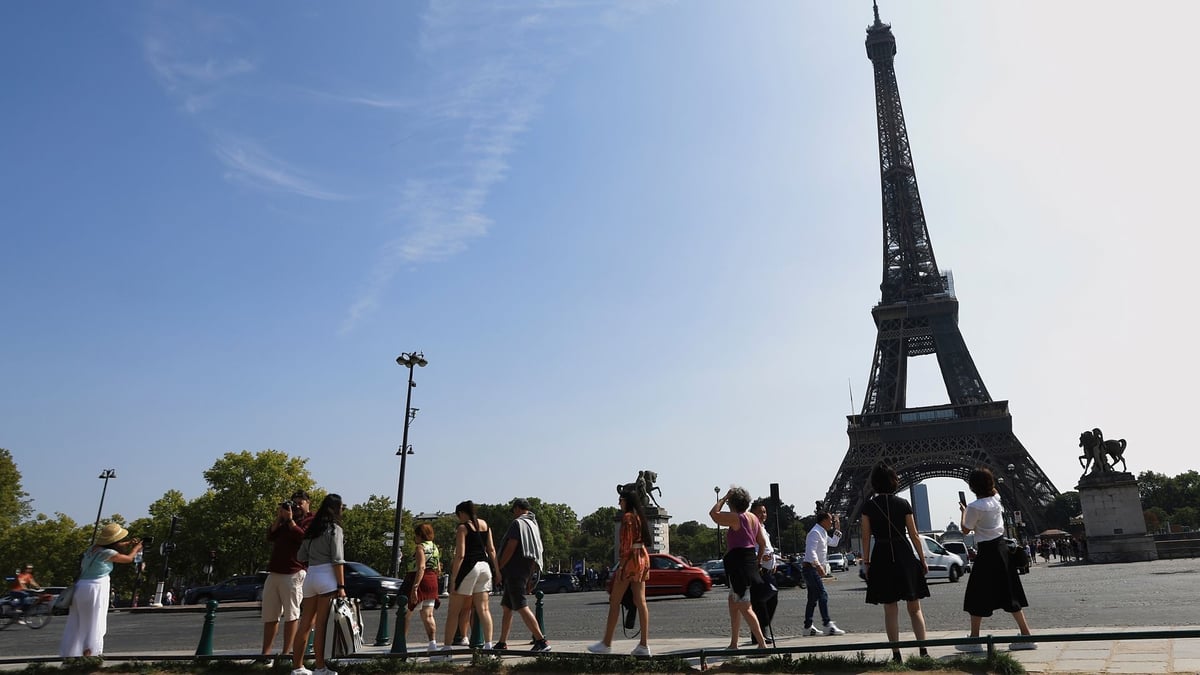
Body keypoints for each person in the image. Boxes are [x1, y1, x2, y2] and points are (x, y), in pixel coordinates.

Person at [957, 467, 1037, 652]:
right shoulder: (996, 499)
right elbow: (994, 494)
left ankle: (975, 640)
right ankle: (1027, 635)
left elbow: (965, 529)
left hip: (986, 553)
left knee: (977, 594)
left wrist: (963, 510)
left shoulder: (974, 507)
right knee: (1010, 592)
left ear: (972, 486)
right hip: (1002, 550)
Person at [860, 463, 929, 662]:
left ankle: (896, 654)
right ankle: (923, 652)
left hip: (881, 554)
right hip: (904, 553)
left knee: (890, 610)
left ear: (874, 483)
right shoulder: (903, 503)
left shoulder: (868, 507)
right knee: (914, 608)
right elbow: (915, 535)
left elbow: (865, 538)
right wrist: (922, 559)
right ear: (893, 481)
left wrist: (867, 562)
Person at [59, 523, 144, 658]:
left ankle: (72, 653)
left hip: (80, 587)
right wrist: (137, 548)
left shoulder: (92, 549)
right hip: (96, 587)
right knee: (95, 620)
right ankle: (90, 652)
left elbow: (115, 546)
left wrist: (128, 542)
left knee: (78, 621)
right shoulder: (108, 553)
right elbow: (128, 559)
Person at [588, 486, 652, 656]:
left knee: (615, 601)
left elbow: (625, 545)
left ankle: (607, 642)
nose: (619, 503)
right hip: (642, 558)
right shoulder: (639, 517)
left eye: (620, 500)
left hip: (630, 560)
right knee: (641, 601)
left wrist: (621, 566)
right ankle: (644, 644)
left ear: (626, 501)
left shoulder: (628, 518)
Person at [291, 494, 346, 675]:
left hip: (311, 576)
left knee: (305, 624)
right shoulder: (334, 529)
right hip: (327, 577)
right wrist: (341, 586)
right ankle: (320, 667)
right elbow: (338, 560)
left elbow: (300, 556)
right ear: (336, 508)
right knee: (321, 625)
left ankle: (297, 667)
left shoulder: (312, 529)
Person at [709, 486, 769, 650]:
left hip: (738, 564)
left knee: (744, 605)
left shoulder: (737, 518)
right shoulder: (753, 518)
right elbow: (762, 544)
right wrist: (757, 562)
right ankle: (734, 643)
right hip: (749, 561)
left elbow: (714, 514)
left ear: (732, 503)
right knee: (733, 603)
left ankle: (762, 644)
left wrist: (724, 497)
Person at [261, 490, 314, 661]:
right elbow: (270, 536)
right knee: (270, 615)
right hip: (275, 571)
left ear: (308, 503)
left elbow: (303, 537)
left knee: (292, 615)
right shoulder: (284, 522)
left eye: (300, 502)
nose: (297, 506)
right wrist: (280, 517)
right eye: (294, 502)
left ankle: (286, 653)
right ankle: (265, 654)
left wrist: (291, 520)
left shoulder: (310, 520)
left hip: (293, 572)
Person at [439, 501, 496, 657]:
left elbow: (460, 555)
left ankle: (447, 649)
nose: (459, 519)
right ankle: (489, 647)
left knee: (454, 611)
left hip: (469, 567)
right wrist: (497, 571)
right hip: (485, 567)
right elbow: (491, 550)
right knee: (484, 609)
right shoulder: (486, 525)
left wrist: (453, 579)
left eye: (458, 516)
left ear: (462, 513)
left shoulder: (463, 528)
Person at [494, 498, 551, 653]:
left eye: (513, 510)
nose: (513, 513)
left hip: (514, 570)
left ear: (517, 509)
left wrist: (499, 566)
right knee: (507, 607)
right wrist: (530, 576)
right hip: (525, 568)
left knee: (521, 606)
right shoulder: (533, 524)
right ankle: (502, 642)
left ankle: (541, 640)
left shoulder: (517, 523)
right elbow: (535, 553)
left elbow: (511, 545)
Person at [802, 511, 846, 636]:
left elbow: (833, 543)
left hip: (811, 568)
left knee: (812, 599)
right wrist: (818, 565)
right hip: (811, 568)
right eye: (830, 520)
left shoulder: (822, 532)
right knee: (823, 594)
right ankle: (827, 624)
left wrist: (837, 529)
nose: (831, 522)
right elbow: (811, 552)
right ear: (824, 520)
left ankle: (808, 626)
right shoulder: (815, 532)